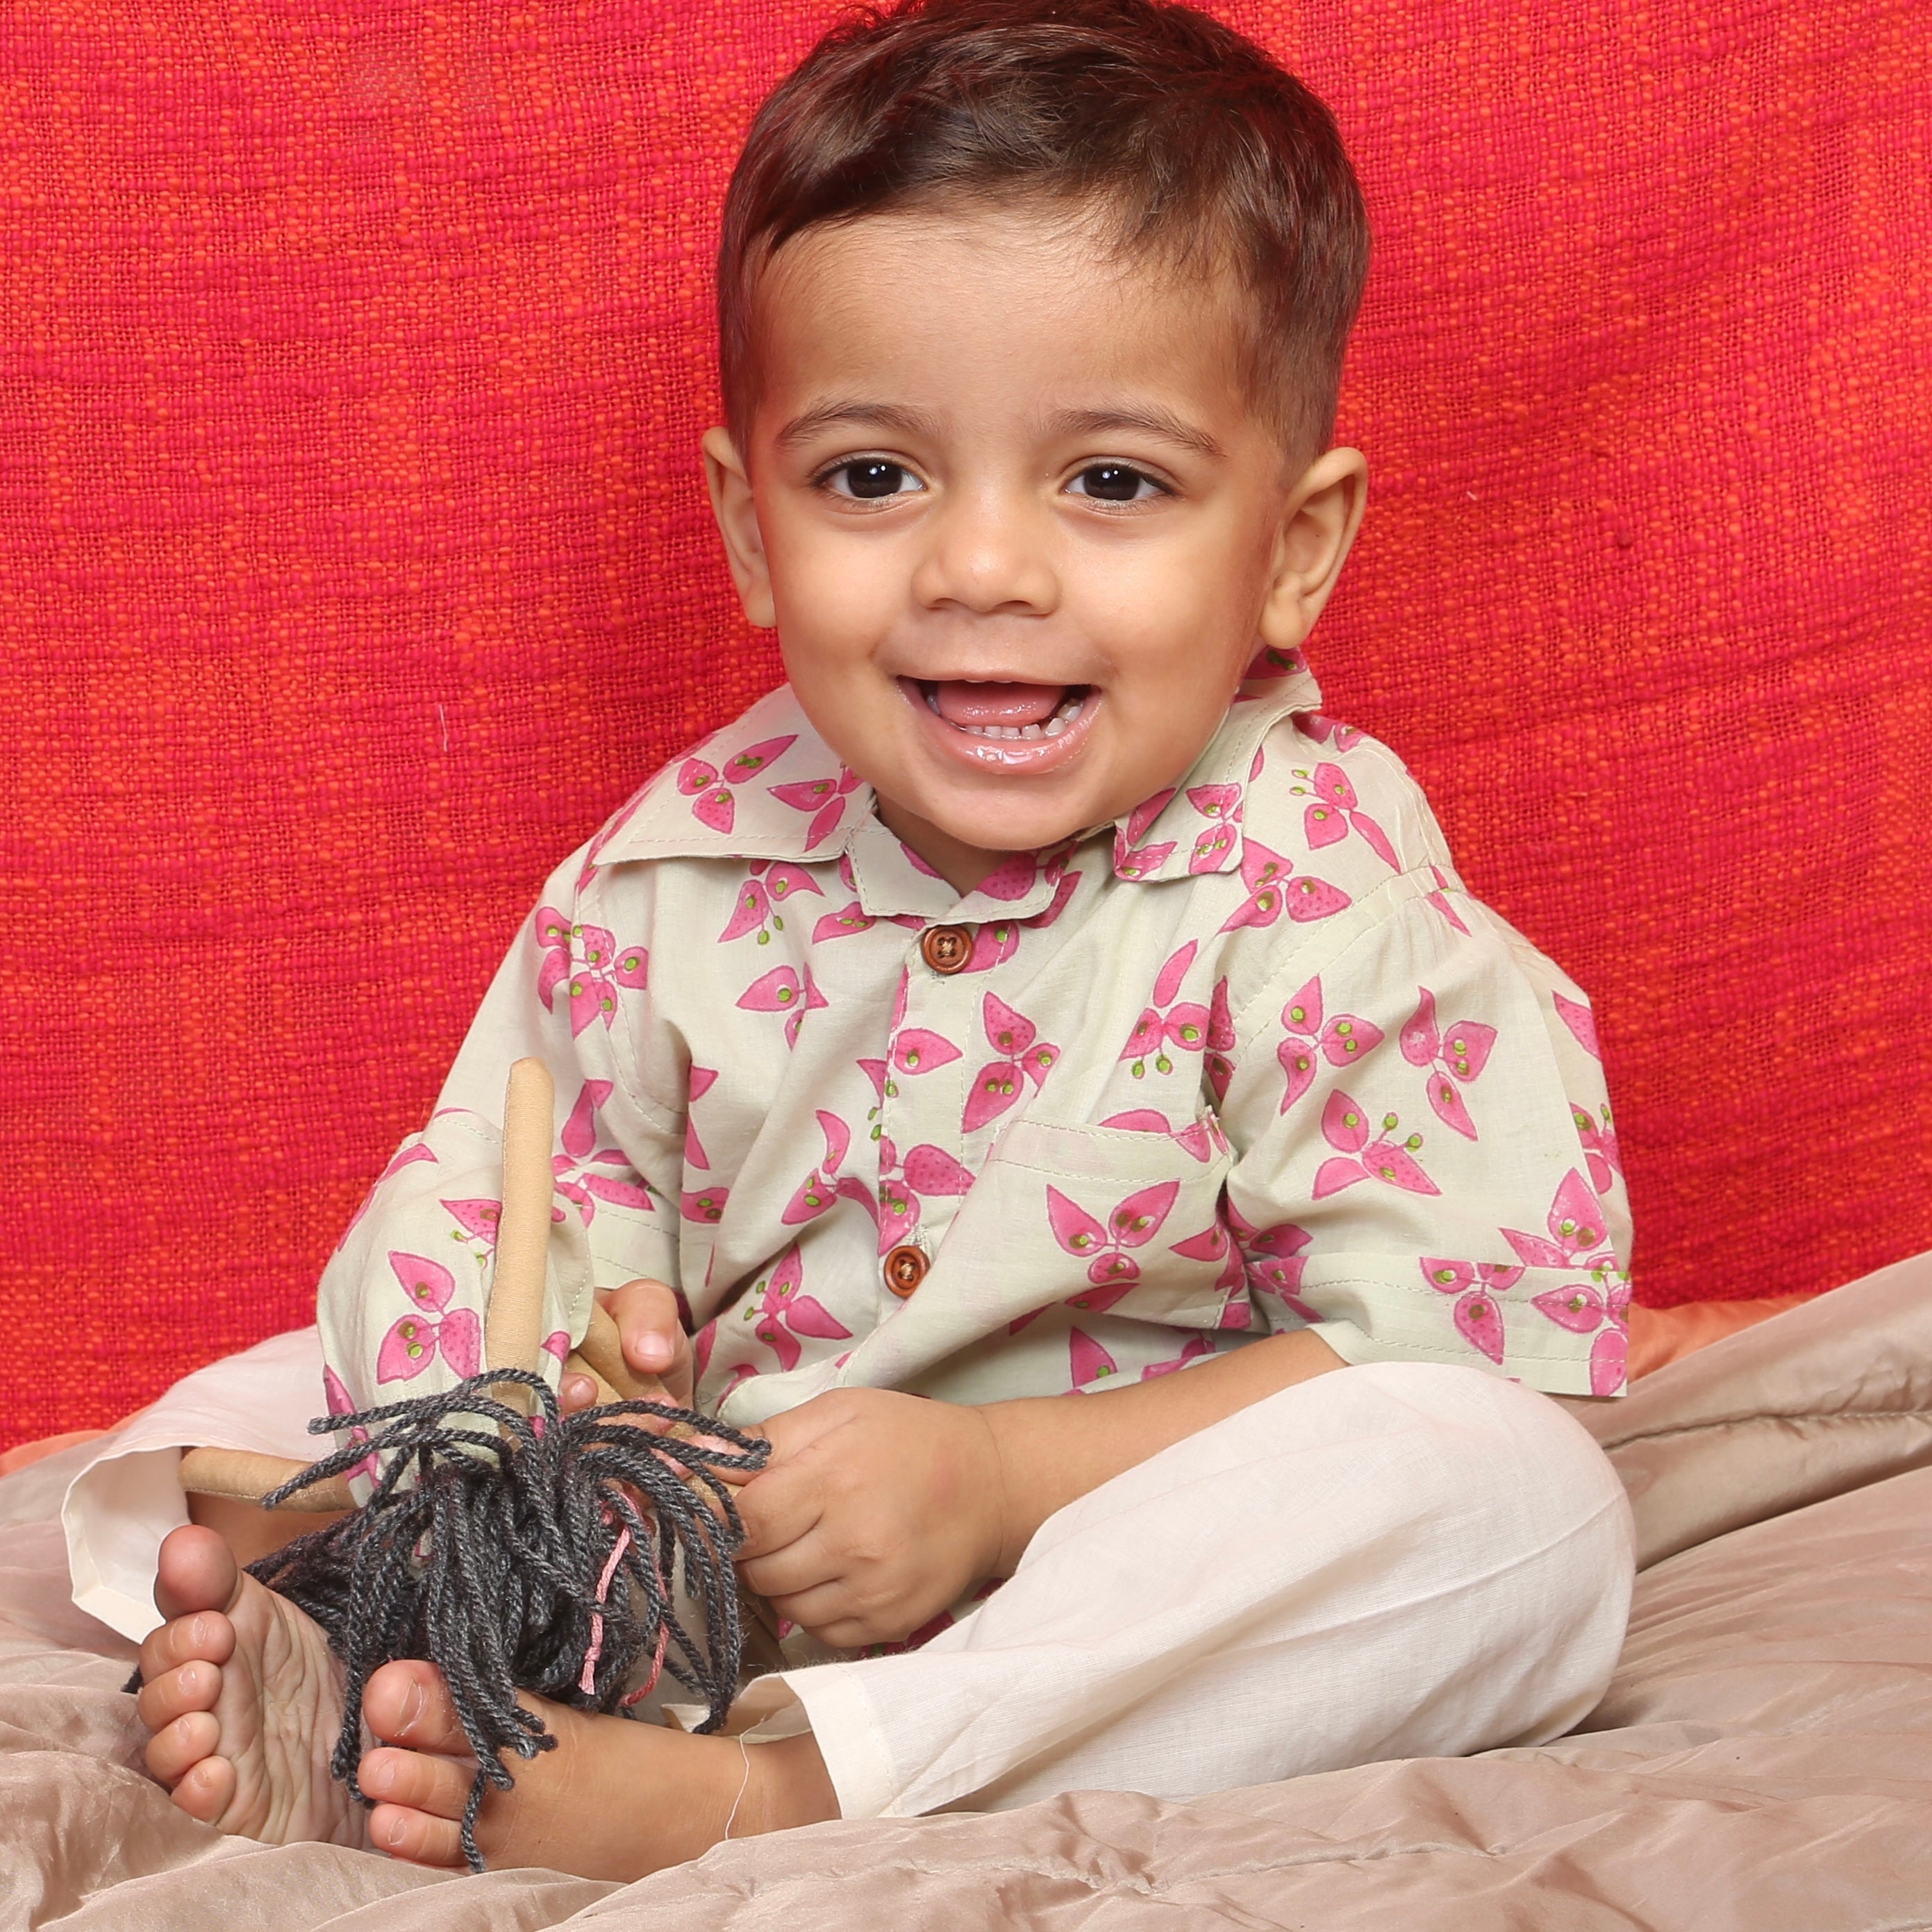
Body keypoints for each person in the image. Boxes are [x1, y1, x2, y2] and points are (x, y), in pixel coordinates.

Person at [126, 0, 1635, 1881]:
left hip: (1101, 1580)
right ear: (752, 529)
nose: (980, 568)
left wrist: (994, 1483)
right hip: (695, 1554)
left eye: (1112, 482)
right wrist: (567, 1385)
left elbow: (1463, 1335)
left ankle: (788, 1789)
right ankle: (383, 1629)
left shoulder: (1319, 888)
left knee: (1515, 1504)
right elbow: (504, 1177)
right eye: (871, 478)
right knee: (243, 1401)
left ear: (1293, 548)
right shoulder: (673, 876)